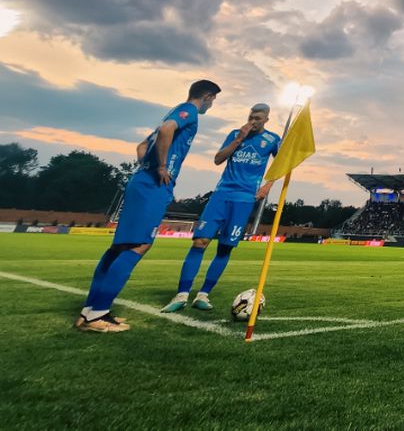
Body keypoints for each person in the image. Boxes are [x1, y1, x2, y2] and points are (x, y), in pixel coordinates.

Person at [76, 80, 221, 332]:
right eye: (213, 99)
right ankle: (96, 316)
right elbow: (166, 130)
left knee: (119, 246)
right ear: (207, 96)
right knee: (139, 245)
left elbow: (142, 146)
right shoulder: (189, 112)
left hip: (142, 181)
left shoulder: (174, 110)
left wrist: (147, 165)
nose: (212, 104)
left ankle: (90, 310)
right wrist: (161, 167)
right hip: (153, 185)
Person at [162, 104, 279, 313]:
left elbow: (284, 163)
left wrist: (268, 185)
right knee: (200, 242)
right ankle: (181, 294)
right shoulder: (235, 133)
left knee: (225, 247)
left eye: (258, 118)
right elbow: (218, 159)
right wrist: (238, 139)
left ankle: (203, 294)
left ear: (266, 120)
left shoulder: (272, 140)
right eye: (251, 116)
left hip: (244, 199)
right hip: (221, 194)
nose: (253, 121)